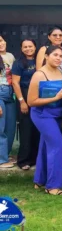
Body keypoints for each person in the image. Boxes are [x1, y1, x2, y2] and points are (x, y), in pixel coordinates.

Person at [27, 45, 62, 195]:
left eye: (60, 55)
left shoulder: (60, 71)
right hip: (42, 115)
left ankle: (39, 180)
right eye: (55, 55)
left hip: (57, 113)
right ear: (46, 56)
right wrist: (55, 98)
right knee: (57, 145)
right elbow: (31, 101)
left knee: (45, 146)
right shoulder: (39, 75)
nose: (58, 58)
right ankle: (52, 186)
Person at [35, 26, 62, 165]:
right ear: (49, 36)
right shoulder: (44, 50)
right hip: (49, 88)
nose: (58, 37)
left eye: (60, 35)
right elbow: (39, 71)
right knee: (49, 128)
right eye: (55, 35)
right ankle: (51, 156)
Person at [11, 39, 40, 170]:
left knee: (37, 129)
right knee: (26, 129)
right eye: (25, 47)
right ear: (21, 49)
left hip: (38, 96)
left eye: (30, 46)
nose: (28, 49)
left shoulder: (39, 60)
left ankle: (36, 158)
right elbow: (15, 83)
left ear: (35, 47)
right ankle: (24, 160)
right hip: (24, 95)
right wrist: (22, 101)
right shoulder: (18, 63)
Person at [0, 35, 16, 169]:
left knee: (10, 127)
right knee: (1, 127)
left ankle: (6, 153)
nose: (0, 44)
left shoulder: (10, 56)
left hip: (11, 92)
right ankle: (1, 159)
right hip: (0, 91)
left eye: (1, 40)